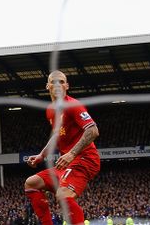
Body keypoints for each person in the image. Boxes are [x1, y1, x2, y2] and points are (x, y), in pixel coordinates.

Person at [24, 70, 100, 225]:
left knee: (63, 195)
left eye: (61, 81)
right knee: (31, 183)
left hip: (85, 159)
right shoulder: (50, 110)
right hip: (66, 163)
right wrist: (42, 155)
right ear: (47, 86)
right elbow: (57, 135)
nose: (57, 85)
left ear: (67, 86)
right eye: (53, 82)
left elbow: (93, 130)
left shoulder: (73, 105)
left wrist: (71, 154)